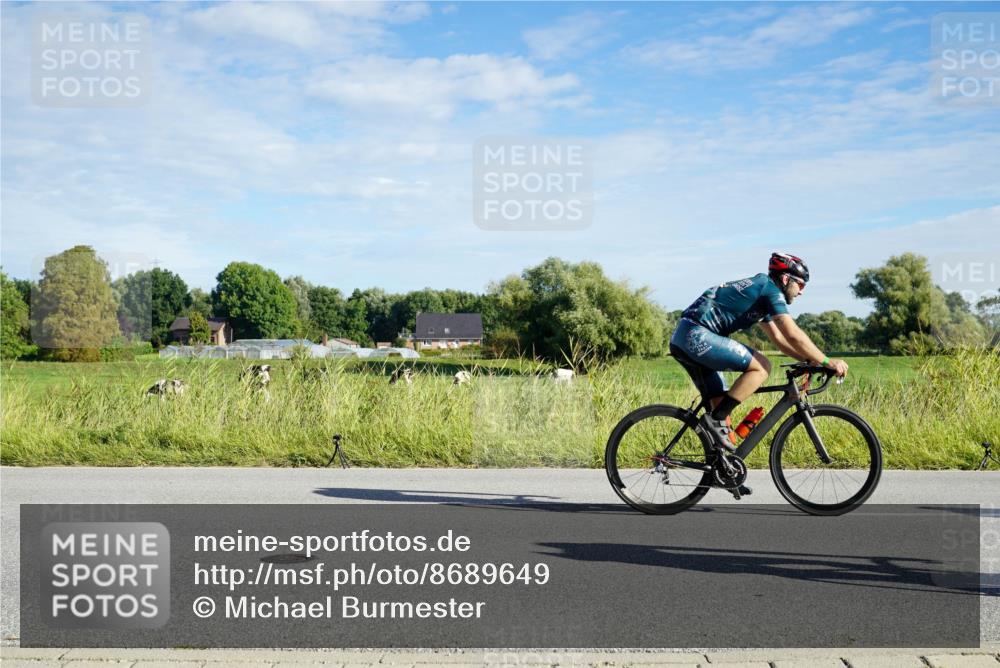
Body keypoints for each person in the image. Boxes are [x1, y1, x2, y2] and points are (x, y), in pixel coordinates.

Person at [669, 252, 849, 496]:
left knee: (720, 407)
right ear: (786, 279)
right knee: (761, 366)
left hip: (685, 337)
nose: (802, 291)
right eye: (801, 284)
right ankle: (715, 419)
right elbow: (793, 333)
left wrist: (808, 362)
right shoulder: (769, 290)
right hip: (696, 335)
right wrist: (827, 361)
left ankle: (724, 472)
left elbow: (780, 340)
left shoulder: (761, 294)